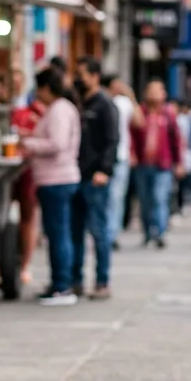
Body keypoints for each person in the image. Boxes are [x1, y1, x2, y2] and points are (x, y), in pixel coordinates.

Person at [22, 67, 82, 306]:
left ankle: (62, 285)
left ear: (46, 88)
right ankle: (60, 281)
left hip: (57, 179)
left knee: (58, 234)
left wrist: (30, 143)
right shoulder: (60, 109)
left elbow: (57, 143)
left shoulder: (59, 110)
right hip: (57, 178)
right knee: (59, 233)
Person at [70, 57, 119, 299]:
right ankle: (76, 280)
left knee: (98, 231)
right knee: (75, 231)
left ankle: (102, 281)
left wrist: (105, 170)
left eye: (83, 74)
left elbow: (112, 141)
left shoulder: (105, 105)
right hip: (74, 175)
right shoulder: (77, 102)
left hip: (95, 179)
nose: (79, 79)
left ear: (95, 76)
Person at [130, 79, 184, 247]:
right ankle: (147, 232)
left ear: (163, 94)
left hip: (163, 165)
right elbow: (132, 136)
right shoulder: (140, 112)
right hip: (143, 164)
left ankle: (160, 233)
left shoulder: (168, 114)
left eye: (157, 90)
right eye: (151, 90)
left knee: (160, 198)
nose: (154, 94)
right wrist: (132, 154)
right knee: (145, 201)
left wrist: (179, 162)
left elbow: (176, 140)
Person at [9, 67, 48, 286]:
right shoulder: (1, 105)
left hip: (28, 168)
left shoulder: (35, 109)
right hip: (6, 166)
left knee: (28, 216)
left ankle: (25, 264)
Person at [104, 75, 137, 248]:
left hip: (122, 155)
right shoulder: (102, 101)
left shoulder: (124, 103)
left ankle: (112, 233)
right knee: (106, 197)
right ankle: (105, 233)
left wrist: (131, 96)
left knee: (117, 197)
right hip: (104, 156)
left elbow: (139, 122)